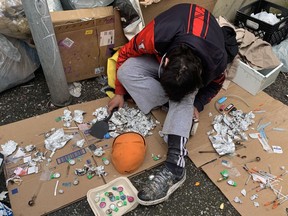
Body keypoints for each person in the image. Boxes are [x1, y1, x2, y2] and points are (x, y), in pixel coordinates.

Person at [108, 3, 236, 206]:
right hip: (171, 45)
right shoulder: (156, 35)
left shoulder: (217, 63)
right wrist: (119, 92)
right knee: (126, 72)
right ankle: (177, 106)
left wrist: (198, 103)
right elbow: (124, 54)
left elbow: (214, 87)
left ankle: (176, 167)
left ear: (201, 75)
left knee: (184, 98)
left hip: (192, 61)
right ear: (165, 63)